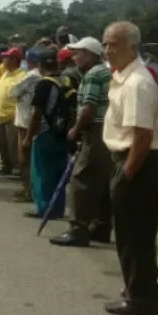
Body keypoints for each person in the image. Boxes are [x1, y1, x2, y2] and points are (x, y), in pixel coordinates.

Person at [101, 21, 158, 315]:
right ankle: (143, 288)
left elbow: (142, 136)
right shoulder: (123, 77)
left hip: (136, 161)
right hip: (132, 159)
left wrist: (127, 173)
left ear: (133, 47)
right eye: (105, 44)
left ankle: (140, 298)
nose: (108, 50)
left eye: (115, 44)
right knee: (135, 232)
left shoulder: (137, 82)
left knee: (133, 235)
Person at [50, 37, 113, 246]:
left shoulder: (93, 75)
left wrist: (76, 129)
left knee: (81, 178)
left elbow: (89, 107)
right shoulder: (106, 71)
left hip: (95, 129)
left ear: (89, 55)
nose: (74, 58)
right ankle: (101, 226)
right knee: (102, 179)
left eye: (78, 54)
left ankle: (78, 229)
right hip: (108, 129)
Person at [23, 49, 70, 219]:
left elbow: (37, 113)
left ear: (40, 66)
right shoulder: (66, 80)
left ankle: (43, 207)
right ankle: (58, 207)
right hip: (63, 132)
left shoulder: (44, 83)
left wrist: (28, 136)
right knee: (58, 172)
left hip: (46, 132)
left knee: (42, 172)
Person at [9, 48, 42, 202]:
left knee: (25, 159)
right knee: (29, 159)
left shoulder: (32, 76)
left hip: (25, 122)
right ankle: (28, 190)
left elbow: (12, 92)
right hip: (32, 120)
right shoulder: (41, 75)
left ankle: (29, 191)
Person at [0, 47, 25, 175]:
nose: (4, 59)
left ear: (14, 60)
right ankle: (6, 166)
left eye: (7, 57)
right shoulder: (5, 73)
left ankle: (16, 167)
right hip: (0, 114)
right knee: (2, 143)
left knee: (13, 143)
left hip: (12, 115)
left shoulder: (21, 76)